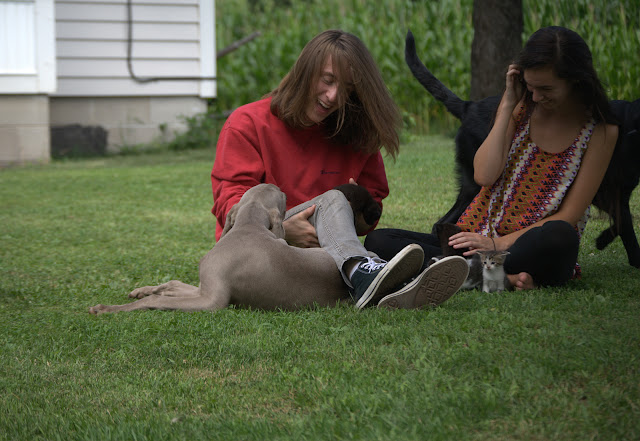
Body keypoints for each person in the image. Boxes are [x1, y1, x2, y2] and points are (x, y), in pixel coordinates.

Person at [211, 29, 468, 309]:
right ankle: (368, 272)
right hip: (254, 254)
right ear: (305, 71)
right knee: (334, 200)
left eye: (347, 88)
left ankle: (387, 283)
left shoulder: (354, 131)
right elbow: (231, 205)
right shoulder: (248, 122)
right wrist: (283, 228)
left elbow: (372, 209)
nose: (333, 96)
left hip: (318, 258)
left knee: (377, 241)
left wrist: (354, 210)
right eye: (328, 80)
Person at [365, 26, 619, 290]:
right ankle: (496, 278)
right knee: (379, 241)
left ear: (576, 80)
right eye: (530, 87)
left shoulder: (600, 131)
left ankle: (463, 272)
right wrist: (508, 104)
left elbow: (569, 216)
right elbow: (484, 175)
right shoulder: (521, 107)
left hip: (529, 247)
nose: (535, 96)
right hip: (478, 237)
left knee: (561, 235)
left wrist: (498, 244)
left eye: (545, 89)